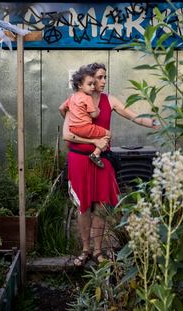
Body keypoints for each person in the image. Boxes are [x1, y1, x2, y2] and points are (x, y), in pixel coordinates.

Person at [61, 63, 158, 267]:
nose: (103, 82)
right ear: (89, 80)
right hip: (79, 159)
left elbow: (133, 116)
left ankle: (98, 251)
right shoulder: (76, 101)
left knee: (101, 207)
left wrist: (154, 122)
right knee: (83, 207)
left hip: (102, 160)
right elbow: (67, 134)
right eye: (99, 78)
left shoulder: (109, 100)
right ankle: (85, 249)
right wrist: (94, 142)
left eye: (105, 77)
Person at [59, 66, 111, 168]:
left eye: (93, 84)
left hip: (73, 128)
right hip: (85, 127)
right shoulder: (87, 98)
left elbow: (61, 108)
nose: (92, 87)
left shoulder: (72, 97)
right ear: (80, 85)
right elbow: (94, 115)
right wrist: (97, 109)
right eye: (89, 84)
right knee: (108, 134)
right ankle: (96, 154)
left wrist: (71, 119)